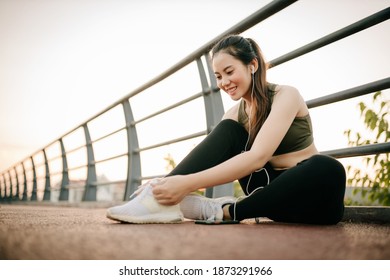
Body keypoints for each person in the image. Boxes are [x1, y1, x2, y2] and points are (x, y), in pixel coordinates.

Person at [106, 34, 346, 225]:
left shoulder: (286, 95)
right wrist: (175, 182)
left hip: (309, 200)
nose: (223, 83)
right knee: (229, 129)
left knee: (328, 167)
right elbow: (229, 158)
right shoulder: (234, 114)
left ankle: (226, 210)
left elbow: (258, 157)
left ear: (252, 65)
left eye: (229, 72)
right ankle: (159, 197)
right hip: (267, 198)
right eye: (218, 76)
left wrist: (187, 183)